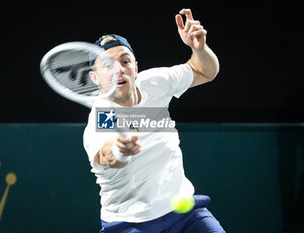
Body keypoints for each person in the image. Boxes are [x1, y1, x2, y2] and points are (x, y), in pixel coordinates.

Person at [83, 8, 225, 233]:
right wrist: (120, 150)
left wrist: (199, 49)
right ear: (95, 78)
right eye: (107, 65)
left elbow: (206, 72)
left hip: (184, 213)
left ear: (135, 67)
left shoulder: (155, 82)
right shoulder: (102, 116)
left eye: (125, 61)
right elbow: (106, 156)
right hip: (129, 222)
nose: (119, 70)